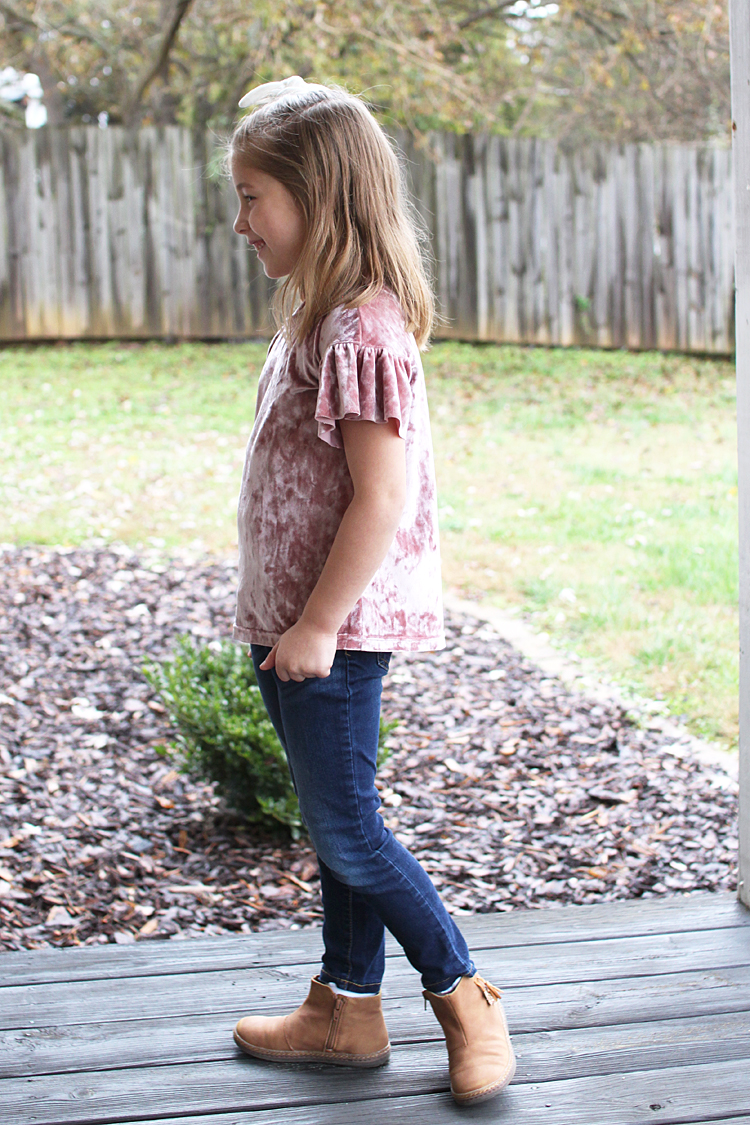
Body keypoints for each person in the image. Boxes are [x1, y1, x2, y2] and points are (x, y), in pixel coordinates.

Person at [228, 75, 515, 1106]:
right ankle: (346, 1009)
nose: (241, 221)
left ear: (319, 196)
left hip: (331, 631)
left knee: (351, 830)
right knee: (334, 821)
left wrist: (315, 623)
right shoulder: (320, 317)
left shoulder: (363, 329)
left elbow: (381, 497)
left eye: (253, 196)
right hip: (294, 622)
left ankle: (466, 995)